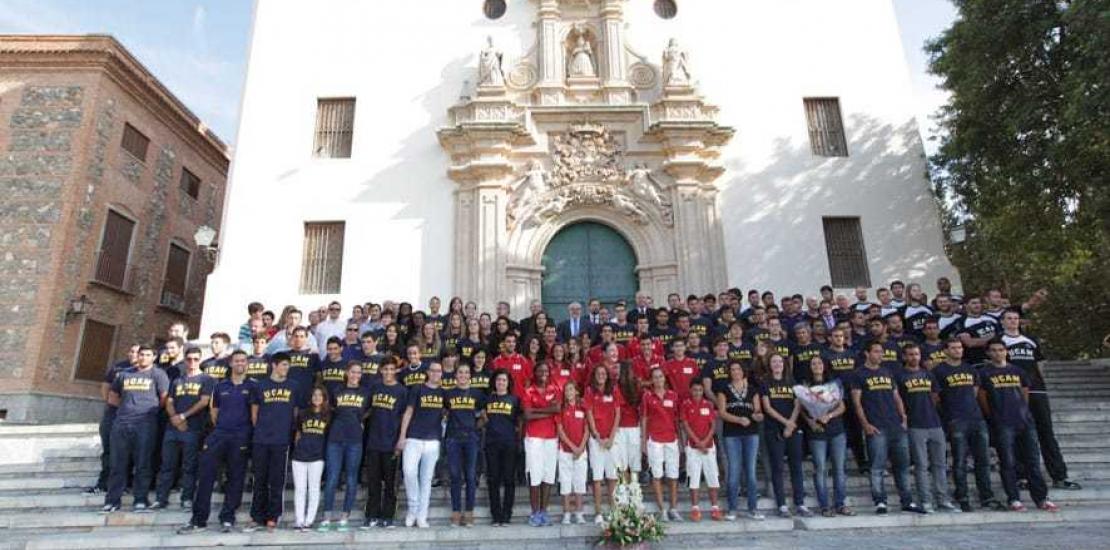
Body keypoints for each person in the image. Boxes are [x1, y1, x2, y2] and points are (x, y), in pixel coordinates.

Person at [999, 310, 1081, 490]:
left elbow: (1040, 364)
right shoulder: (1000, 342)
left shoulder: (1031, 340)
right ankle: (1023, 476)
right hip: (1014, 392)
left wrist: (1040, 382)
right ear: (1002, 321)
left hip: (1037, 391)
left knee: (1047, 434)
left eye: (1015, 318)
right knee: (1020, 435)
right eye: (1009, 319)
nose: (1013, 321)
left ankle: (1060, 476)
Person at [179, 350, 256, 534]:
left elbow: (254, 413)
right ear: (230, 363)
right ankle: (199, 520)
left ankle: (228, 518)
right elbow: (214, 413)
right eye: (236, 361)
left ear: (247, 364)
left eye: (243, 361)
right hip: (219, 434)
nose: (240, 364)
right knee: (206, 475)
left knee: (235, 477)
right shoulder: (220, 386)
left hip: (240, 436)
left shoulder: (253, 387)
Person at [979, 339, 1059, 512]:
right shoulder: (985, 373)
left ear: (1006, 351)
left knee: (1033, 461)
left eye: (1000, 349)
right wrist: (994, 416)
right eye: (993, 350)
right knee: (1008, 462)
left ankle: (1041, 498)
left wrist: (1024, 413)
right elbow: (983, 397)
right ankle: (1013, 499)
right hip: (1002, 423)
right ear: (988, 353)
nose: (997, 353)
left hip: (1024, 422)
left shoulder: (1018, 371)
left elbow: (1025, 393)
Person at [850, 341, 925, 515]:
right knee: (877, 467)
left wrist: (903, 417)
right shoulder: (858, 374)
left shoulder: (887, 372)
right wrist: (865, 424)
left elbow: (896, 396)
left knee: (902, 466)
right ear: (867, 354)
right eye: (876, 351)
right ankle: (880, 501)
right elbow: (856, 402)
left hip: (896, 426)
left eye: (881, 352)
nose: (880, 355)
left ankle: (907, 501)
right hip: (876, 427)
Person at [933, 338, 1002, 512]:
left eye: (960, 347)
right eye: (953, 348)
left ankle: (986, 496)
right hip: (955, 420)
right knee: (960, 461)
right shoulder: (939, 371)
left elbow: (975, 392)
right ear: (945, 351)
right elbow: (936, 398)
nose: (958, 350)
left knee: (983, 460)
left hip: (976, 419)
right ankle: (962, 495)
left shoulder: (970, 369)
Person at [101, 345, 170, 514]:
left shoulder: (158, 374)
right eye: (141, 354)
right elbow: (113, 395)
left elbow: (164, 398)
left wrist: (147, 410)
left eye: (148, 355)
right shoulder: (124, 374)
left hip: (145, 423)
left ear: (154, 357)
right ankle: (112, 500)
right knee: (117, 463)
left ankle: (140, 499)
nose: (144, 357)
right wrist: (126, 410)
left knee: (143, 463)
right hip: (122, 423)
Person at [895, 343, 958, 512]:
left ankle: (943, 500)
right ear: (904, 357)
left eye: (916, 354)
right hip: (915, 425)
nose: (914, 357)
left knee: (940, 464)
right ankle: (926, 500)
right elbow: (897, 399)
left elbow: (935, 396)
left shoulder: (928, 375)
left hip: (935, 424)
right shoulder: (899, 376)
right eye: (910, 354)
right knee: (921, 466)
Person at [153, 347, 214, 510]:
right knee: (167, 465)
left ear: (200, 360)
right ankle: (161, 498)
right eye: (189, 359)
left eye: (195, 359)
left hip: (193, 428)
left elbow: (204, 401)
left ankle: (186, 498)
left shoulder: (206, 379)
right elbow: (170, 401)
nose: (192, 362)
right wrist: (175, 418)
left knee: (189, 466)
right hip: (172, 428)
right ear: (185, 360)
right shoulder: (177, 380)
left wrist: (183, 417)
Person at [245, 352, 299, 532]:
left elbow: (295, 413)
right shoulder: (260, 386)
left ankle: (273, 516)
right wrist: (261, 430)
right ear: (274, 365)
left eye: (288, 365)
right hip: (261, 439)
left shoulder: (293, 386)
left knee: (277, 480)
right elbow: (254, 412)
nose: (286, 368)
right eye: (283, 364)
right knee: (259, 479)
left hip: (281, 440)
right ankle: (256, 515)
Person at [319, 363, 370, 531]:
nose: (356, 375)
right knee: (332, 478)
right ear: (347, 373)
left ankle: (344, 516)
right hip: (335, 439)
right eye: (353, 372)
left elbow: (369, 410)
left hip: (355, 440)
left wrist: (360, 421)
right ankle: (327, 516)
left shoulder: (365, 392)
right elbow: (330, 410)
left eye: (359, 372)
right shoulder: (337, 390)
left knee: (351, 478)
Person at [760, 354, 810, 518]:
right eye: (774, 361)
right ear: (770, 365)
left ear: (784, 364)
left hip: (793, 429)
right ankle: (781, 505)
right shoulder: (765, 382)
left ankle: (800, 503)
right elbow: (767, 408)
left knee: (796, 467)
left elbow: (798, 405)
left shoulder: (792, 382)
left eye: (780, 361)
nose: (777, 364)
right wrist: (785, 423)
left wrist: (791, 423)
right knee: (778, 468)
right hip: (774, 429)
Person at [801, 356, 852, 517]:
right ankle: (824, 505)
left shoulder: (834, 384)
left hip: (836, 429)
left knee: (839, 468)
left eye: (819, 363)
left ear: (824, 365)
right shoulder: (805, 385)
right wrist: (811, 421)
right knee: (820, 469)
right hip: (817, 432)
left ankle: (840, 503)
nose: (817, 366)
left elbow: (842, 407)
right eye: (813, 363)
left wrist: (828, 416)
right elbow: (802, 409)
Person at [397, 361, 445, 528]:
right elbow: (408, 412)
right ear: (427, 372)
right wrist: (402, 436)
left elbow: (447, 413)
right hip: (413, 438)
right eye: (432, 371)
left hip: (432, 441)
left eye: (438, 371)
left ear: (441, 374)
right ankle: (413, 508)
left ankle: (422, 516)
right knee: (409, 472)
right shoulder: (417, 389)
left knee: (426, 479)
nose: (435, 374)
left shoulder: (443, 392)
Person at [362, 357, 408, 529]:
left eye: (391, 369)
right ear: (380, 370)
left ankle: (388, 516)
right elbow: (366, 410)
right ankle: (371, 515)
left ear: (395, 371)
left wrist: (401, 439)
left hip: (391, 442)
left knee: (390, 483)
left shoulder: (401, 391)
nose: (388, 372)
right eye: (385, 369)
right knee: (373, 482)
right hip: (374, 440)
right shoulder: (374, 387)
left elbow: (404, 416)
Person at [87, 345, 138, 496]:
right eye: (131, 351)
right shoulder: (117, 368)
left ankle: (125, 484)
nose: (134, 354)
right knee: (108, 450)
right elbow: (105, 388)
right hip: (113, 414)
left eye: (137, 352)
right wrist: (112, 404)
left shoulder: (145, 371)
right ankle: (103, 483)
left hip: (133, 418)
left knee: (129, 452)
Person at [717, 361, 763, 520]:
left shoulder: (753, 390)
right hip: (731, 434)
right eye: (732, 369)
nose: (735, 371)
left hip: (751, 433)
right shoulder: (723, 389)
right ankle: (732, 508)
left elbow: (758, 410)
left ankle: (753, 508)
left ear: (744, 372)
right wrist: (738, 420)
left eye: (738, 369)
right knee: (734, 471)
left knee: (750, 471)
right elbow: (722, 413)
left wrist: (758, 416)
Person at [444, 363, 486, 527]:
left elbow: (483, 415)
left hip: (470, 438)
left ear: (470, 375)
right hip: (453, 438)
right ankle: (456, 512)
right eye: (460, 372)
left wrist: (475, 428)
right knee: (455, 476)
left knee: (470, 476)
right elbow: (445, 413)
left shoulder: (477, 393)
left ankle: (469, 512)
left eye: (466, 372)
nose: (463, 375)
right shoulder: (448, 394)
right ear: (456, 375)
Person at [641, 367, 683, 521]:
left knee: (673, 476)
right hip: (654, 440)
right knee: (657, 475)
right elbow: (644, 419)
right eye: (655, 377)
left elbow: (677, 419)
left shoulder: (673, 395)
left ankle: (673, 508)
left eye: (660, 377)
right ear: (652, 380)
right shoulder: (647, 396)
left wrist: (681, 441)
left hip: (671, 439)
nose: (658, 380)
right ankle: (662, 509)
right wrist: (643, 442)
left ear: (664, 378)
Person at [522, 362, 561, 527]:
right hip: (534, 438)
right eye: (540, 370)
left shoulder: (555, 389)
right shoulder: (528, 391)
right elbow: (527, 415)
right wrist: (548, 411)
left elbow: (558, 409)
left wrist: (538, 410)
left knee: (548, 475)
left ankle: (544, 512)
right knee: (535, 475)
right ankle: (534, 512)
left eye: (546, 370)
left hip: (551, 437)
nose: (543, 373)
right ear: (535, 373)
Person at [584, 363, 621, 523]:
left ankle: (614, 510)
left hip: (612, 439)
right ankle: (598, 512)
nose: (601, 375)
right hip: (596, 439)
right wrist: (597, 436)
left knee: (612, 477)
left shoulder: (614, 391)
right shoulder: (589, 391)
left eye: (604, 373)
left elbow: (618, 414)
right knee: (598, 478)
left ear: (607, 375)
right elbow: (589, 413)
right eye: (598, 373)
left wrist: (611, 437)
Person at [484, 370, 523, 526]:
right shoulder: (488, 399)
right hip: (492, 443)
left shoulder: (514, 399)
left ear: (508, 383)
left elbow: (519, 421)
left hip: (509, 444)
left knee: (508, 479)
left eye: (504, 380)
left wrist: (518, 437)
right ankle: (496, 515)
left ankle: (507, 515)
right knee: (493, 480)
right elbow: (482, 417)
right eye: (498, 380)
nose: (501, 382)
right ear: (494, 382)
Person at [681, 378, 723, 521]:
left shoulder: (708, 404)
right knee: (694, 478)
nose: (697, 392)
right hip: (693, 448)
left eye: (700, 390)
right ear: (690, 390)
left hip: (709, 447)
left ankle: (715, 508)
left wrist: (705, 442)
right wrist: (698, 442)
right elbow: (685, 425)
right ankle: (695, 509)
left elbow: (713, 426)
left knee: (713, 478)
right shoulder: (686, 405)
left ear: (703, 391)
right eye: (695, 390)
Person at [291, 387, 329, 532]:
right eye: (314, 395)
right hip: (299, 456)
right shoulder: (303, 413)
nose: (317, 397)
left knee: (314, 489)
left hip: (317, 456)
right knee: (300, 489)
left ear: (324, 398)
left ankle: (309, 520)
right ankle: (299, 520)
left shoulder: (328, 415)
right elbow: (298, 433)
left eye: (320, 395)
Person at [556, 381, 590, 525]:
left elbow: (587, 428)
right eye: (566, 390)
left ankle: (579, 513)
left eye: (571, 389)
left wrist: (581, 447)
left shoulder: (582, 408)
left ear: (576, 391)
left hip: (581, 452)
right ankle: (567, 513)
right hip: (565, 451)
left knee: (580, 482)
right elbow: (560, 431)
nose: (568, 392)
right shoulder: (561, 409)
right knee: (565, 483)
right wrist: (572, 447)